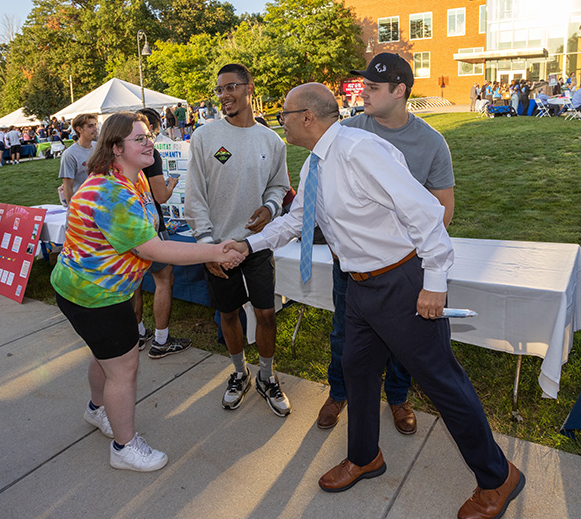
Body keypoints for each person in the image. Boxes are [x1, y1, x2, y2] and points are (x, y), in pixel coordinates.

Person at [230, 81, 524, 519]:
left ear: (307, 117)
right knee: (358, 371)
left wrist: (435, 281)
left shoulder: (360, 150)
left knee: (442, 382)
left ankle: (498, 477)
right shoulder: (315, 163)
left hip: (401, 284)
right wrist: (248, 246)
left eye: (285, 115)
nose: (281, 122)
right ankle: (365, 456)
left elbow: (424, 212)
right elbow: (296, 220)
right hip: (360, 288)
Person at [51, 111, 245, 472]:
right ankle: (124, 448)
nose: (149, 142)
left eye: (148, 136)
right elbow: (153, 250)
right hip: (95, 295)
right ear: (115, 147)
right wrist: (215, 251)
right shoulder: (112, 193)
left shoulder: (129, 177)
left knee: (105, 356)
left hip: (95, 290)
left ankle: (97, 410)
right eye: (139, 138)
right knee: (124, 368)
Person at [315, 53, 455, 434]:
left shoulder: (430, 142)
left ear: (400, 90)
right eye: (364, 85)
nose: (363, 93)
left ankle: (398, 397)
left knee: (403, 340)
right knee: (343, 331)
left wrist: (421, 264)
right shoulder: (347, 131)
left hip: (403, 268)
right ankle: (339, 392)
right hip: (354, 265)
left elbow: (443, 206)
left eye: (373, 88)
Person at [184, 63, 292, 417]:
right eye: (219, 90)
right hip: (217, 244)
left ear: (249, 88)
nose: (224, 96)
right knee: (228, 314)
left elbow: (279, 185)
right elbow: (195, 196)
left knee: (266, 313)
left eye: (231, 87)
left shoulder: (271, 140)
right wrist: (206, 246)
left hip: (257, 246)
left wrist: (270, 206)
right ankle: (239, 373)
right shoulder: (204, 137)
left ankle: (266, 376)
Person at [131, 107, 189, 359]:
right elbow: (161, 196)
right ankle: (161, 340)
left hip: (127, 226)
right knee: (164, 278)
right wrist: (173, 182)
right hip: (150, 226)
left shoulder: (119, 152)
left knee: (133, 283)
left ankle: (138, 332)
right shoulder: (150, 154)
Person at [59, 114, 99, 206]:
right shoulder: (70, 154)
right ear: (79, 129)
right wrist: (71, 210)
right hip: (81, 204)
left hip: (99, 202)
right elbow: (68, 187)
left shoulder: (97, 147)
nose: (95, 128)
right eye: (90, 126)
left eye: (95, 125)